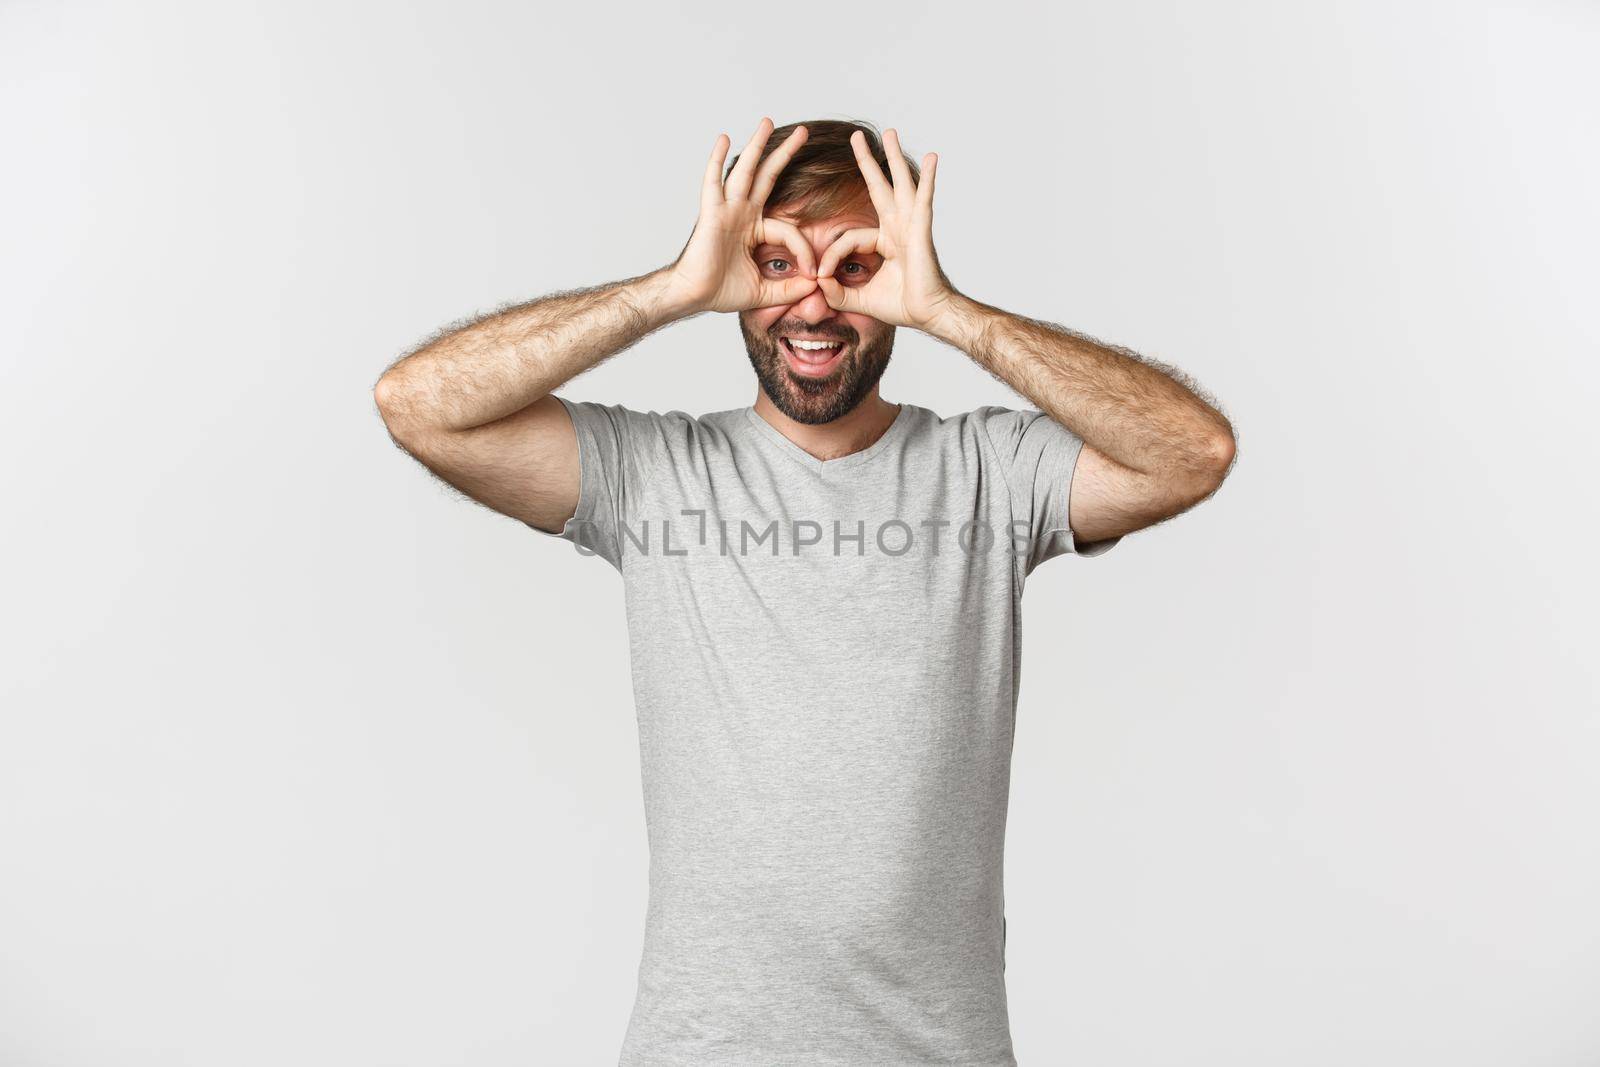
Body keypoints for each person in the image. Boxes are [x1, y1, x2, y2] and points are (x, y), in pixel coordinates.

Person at [374, 116, 1236, 1066]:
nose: (814, 306)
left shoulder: (993, 472)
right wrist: (670, 290)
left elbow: (1192, 453)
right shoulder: (656, 473)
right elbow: (418, 404)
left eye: (857, 267)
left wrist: (949, 311)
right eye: (779, 264)